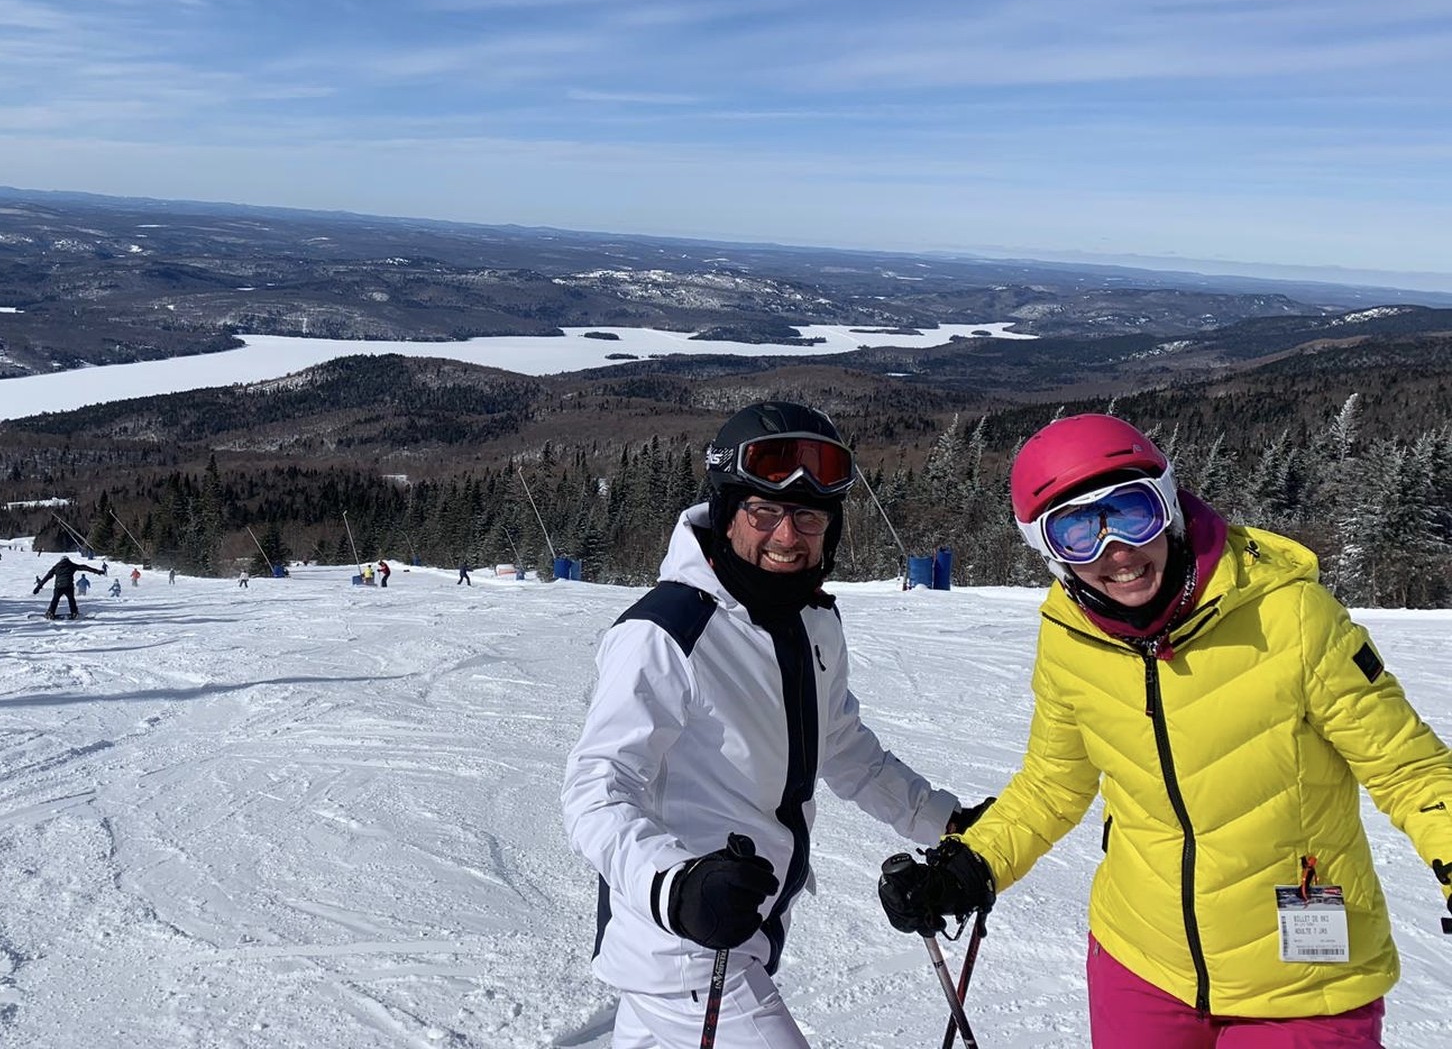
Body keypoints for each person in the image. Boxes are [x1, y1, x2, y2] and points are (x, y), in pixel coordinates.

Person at [877, 413, 1452, 1048]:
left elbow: (1408, 768)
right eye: (1075, 532)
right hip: (1142, 960)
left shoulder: (1291, 615)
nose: (1115, 553)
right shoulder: (1069, 637)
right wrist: (971, 863)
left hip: (1303, 977)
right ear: (1047, 552)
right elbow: (1052, 785)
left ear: (1171, 506)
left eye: (1132, 513)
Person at [563, 401, 985, 1048]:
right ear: (729, 513)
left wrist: (947, 822)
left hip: (746, 933)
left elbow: (844, 751)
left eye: (808, 516)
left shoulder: (812, 621)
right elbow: (595, 791)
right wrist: (676, 888)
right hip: (689, 947)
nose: (788, 537)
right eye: (764, 513)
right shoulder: (667, 630)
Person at [33, 555, 105, 619]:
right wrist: (97, 571)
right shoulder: (71, 565)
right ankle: (74, 613)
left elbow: (47, 577)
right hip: (69, 586)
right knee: (71, 600)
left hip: (59, 586)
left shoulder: (56, 567)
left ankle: (50, 613)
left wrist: (38, 587)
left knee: (55, 600)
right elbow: (84, 567)